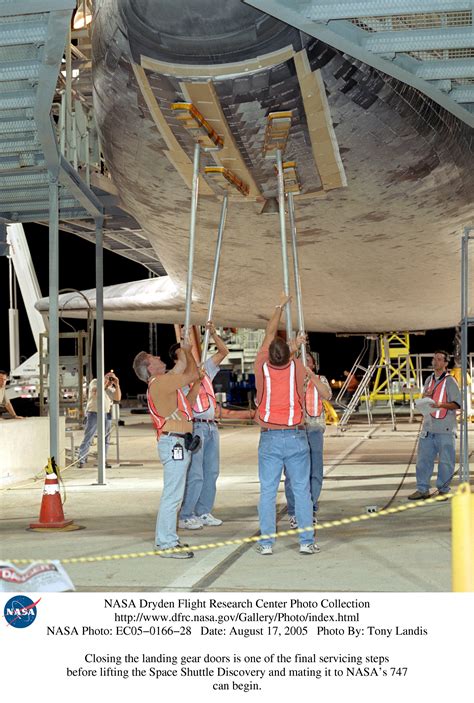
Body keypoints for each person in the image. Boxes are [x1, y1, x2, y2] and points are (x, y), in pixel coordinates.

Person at [253, 294, 316, 556]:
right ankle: (306, 541)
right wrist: (296, 344)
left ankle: (267, 543)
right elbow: (285, 356)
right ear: (289, 355)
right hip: (295, 436)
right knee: (301, 491)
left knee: (268, 491)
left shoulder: (261, 366)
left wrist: (279, 305)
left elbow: (270, 333)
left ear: (269, 355)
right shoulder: (298, 367)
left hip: (269, 437)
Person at [132, 341, 199, 559]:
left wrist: (195, 379)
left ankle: (168, 539)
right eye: (155, 358)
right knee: (172, 496)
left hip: (178, 442)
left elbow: (187, 401)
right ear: (149, 367)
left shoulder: (166, 384)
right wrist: (184, 351)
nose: (161, 358)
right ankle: (165, 543)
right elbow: (188, 371)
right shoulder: (160, 383)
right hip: (174, 444)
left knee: (174, 496)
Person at [177, 321, 229, 530]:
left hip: (211, 426)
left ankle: (203, 510)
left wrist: (214, 334)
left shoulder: (205, 369)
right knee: (196, 473)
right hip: (196, 426)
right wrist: (183, 341)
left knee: (212, 472)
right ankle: (186, 513)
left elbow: (223, 351)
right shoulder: (181, 377)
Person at [285, 350, 332, 528]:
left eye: (309, 361)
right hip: (295, 431)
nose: (306, 364)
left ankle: (310, 507)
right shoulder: (291, 379)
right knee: (292, 473)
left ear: (313, 364)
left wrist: (311, 376)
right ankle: (294, 511)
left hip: (314, 430)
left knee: (315, 471)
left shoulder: (320, 379)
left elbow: (327, 395)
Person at [408, 350, 461, 500]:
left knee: (445, 462)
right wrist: (425, 399)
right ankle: (422, 489)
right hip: (428, 427)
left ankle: (443, 490)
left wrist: (440, 404)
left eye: (439, 359)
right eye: (434, 359)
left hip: (445, 428)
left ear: (445, 363)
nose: (435, 361)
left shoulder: (450, 381)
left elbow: (457, 404)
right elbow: (427, 398)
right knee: (423, 461)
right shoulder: (428, 380)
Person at [77, 371, 121, 467]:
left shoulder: (111, 388)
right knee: (89, 436)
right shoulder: (95, 382)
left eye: (112, 378)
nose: (110, 379)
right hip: (94, 412)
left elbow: (117, 398)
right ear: (104, 376)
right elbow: (97, 393)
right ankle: (81, 460)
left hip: (106, 413)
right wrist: (105, 384)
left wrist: (117, 385)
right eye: (108, 377)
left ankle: (103, 460)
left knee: (106, 438)